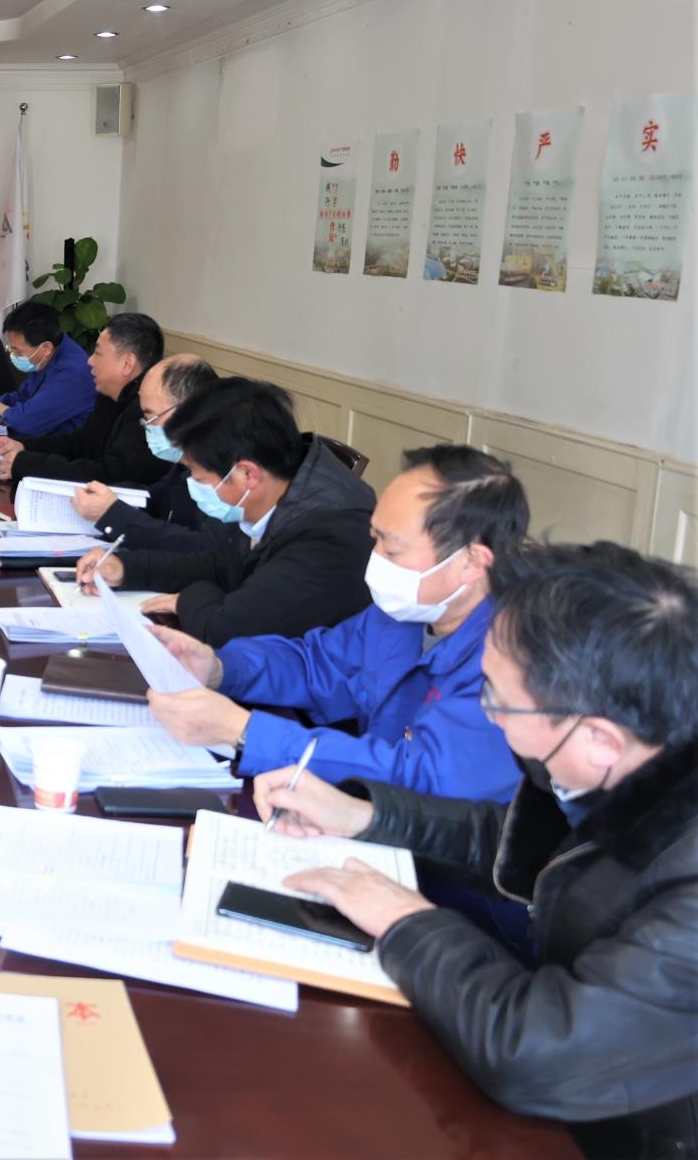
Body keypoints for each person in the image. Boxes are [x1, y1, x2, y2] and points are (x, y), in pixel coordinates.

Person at [253, 542, 698, 1160]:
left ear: (600, 739)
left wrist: (406, 921)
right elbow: (520, 850)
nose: (489, 718)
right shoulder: (636, 760)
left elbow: (537, 1053)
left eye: (498, 698)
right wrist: (366, 817)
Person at [145, 445, 529, 803]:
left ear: (471, 563)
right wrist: (221, 667)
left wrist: (244, 731)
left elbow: (421, 779)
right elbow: (317, 664)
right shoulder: (405, 614)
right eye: (375, 539)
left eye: (392, 548)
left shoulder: (513, 664)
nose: (375, 558)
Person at [86, 377, 375, 645]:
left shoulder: (327, 534)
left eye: (199, 478)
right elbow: (218, 563)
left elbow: (227, 629)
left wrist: (186, 599)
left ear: (248, 474)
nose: (191, 485)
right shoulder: (274, 481)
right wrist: (127, 569)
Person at [71, 353, 228, 552]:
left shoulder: (228, 468)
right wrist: (103, 496)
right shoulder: (187, 460)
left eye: (151, 417)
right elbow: (156, 498)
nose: (146, 426)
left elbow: (203, 550)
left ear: (189, 411)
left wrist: (113, 514)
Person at [0, 311, 172, 487]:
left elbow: (108, 475)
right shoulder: (109, 395)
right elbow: (79, 444)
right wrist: (24, 446)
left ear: (127, 363)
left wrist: (28, 464)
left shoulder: (149, 411)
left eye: (98, 353)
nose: (89, 361)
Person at [0, 300, 96, 439]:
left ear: (46, 348)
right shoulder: (47, 356)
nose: (13, 355)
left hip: (64, 447)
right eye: (10, 348)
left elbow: (27, 422)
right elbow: (23, 396)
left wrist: (3, 410)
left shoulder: (71, 373)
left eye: (18, 351)